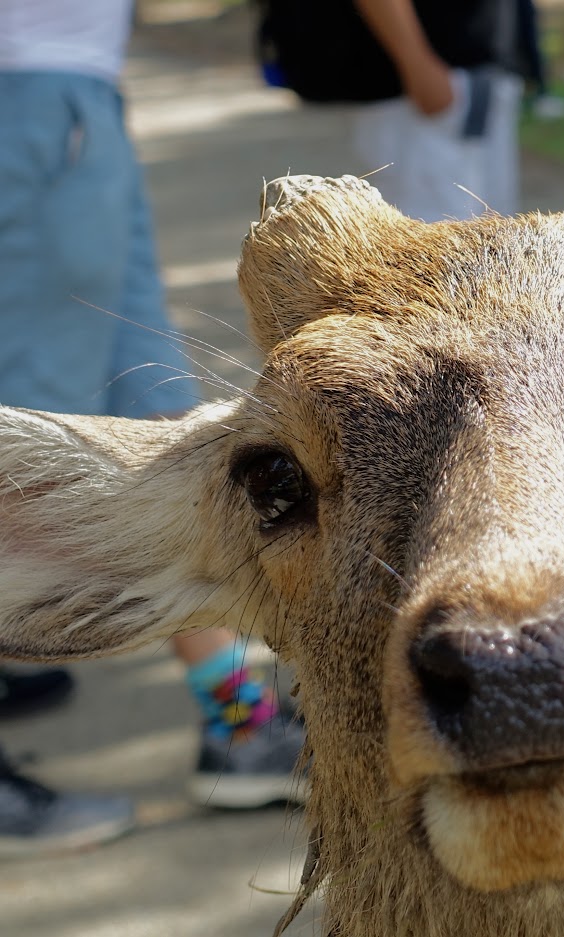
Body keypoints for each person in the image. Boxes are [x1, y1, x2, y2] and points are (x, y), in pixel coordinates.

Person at [0, 0, 305, 856]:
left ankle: (238, 724)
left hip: (76, 102)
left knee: (155, 428)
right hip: (34, 99)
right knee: (23, 452)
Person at [348, 0, 534, 222]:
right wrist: (416, 63)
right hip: (417, 98)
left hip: (485, 82)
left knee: (495, 234)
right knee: (423, 238)